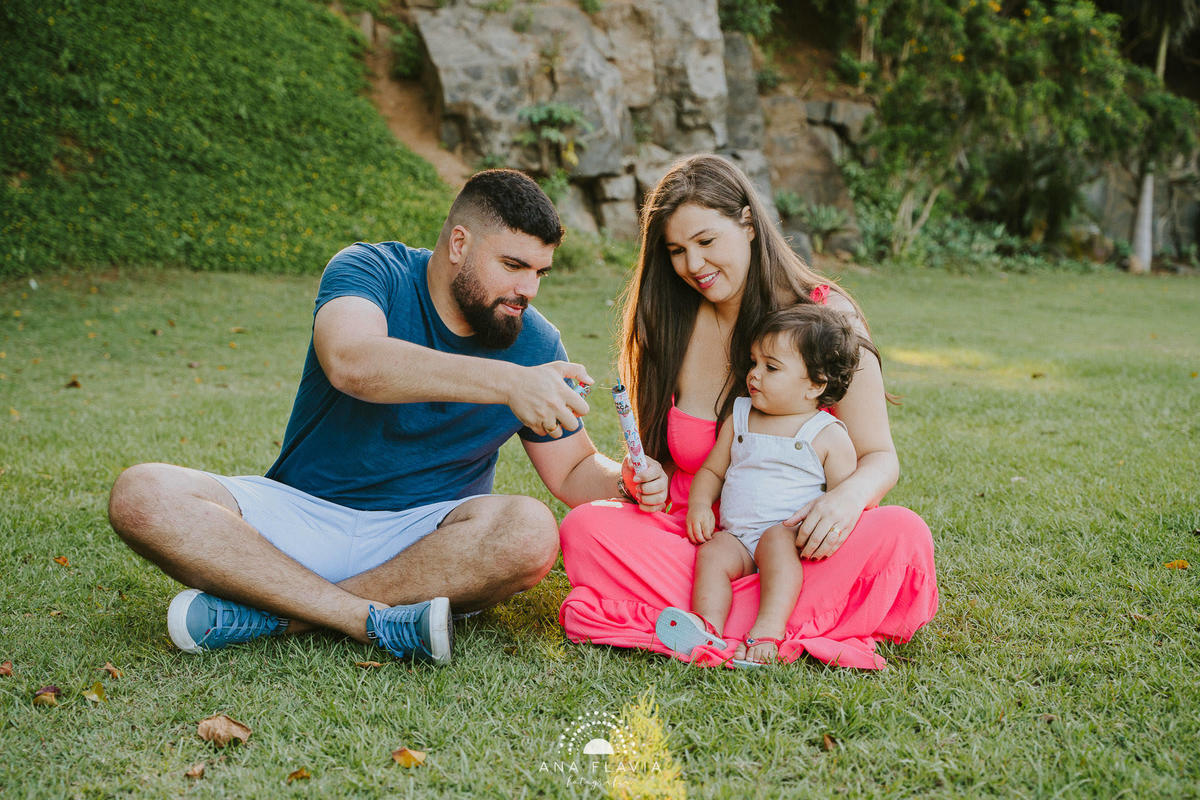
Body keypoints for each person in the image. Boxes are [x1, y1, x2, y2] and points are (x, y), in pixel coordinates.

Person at [107, 169, 668, 665]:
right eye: (513, 265)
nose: (527, 289)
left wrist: (622, 479)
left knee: (530, 531)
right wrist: (509, 383)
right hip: (302, 513)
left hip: (425, 542)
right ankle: (363, 619)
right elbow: (351, 361)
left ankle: (278, 613)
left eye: (540, 272)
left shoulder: (534, 340)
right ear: (459, 243)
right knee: (142, 493)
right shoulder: (371, 268)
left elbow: (572, 472)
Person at [557, 154, 938, 669]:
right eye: (677, 250)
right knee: (586, 529)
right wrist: (639, 479)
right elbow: (669, 468)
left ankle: (713, 628)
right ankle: (763, 629)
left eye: (707, 242)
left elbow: (879, 457)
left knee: (903, 533)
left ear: (749, 224)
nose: (694, 266)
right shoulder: (671, 323)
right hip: (705, 548)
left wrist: (845, 501)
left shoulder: (827, 317)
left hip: (803, 550)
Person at [658, 305, 861, 666]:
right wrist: (700, 505)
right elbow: (712, 472)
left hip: (787, 537)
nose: (753, 375)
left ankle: (767, 630)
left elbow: (843, 500)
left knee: (776, 542)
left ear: (815, 384)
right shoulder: (740, 416)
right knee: (713, 553)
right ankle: (707, 627)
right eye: (754, 363)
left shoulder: (826, 435)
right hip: (736, 537)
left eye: (771, 367)